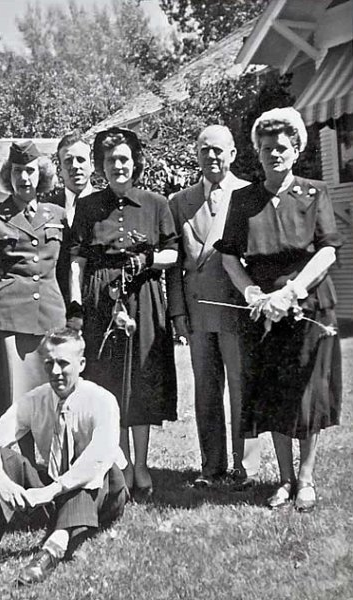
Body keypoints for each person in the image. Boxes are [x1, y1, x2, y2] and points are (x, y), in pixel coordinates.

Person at [215, 107, 342, 512]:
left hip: (309, 305)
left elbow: (327, 251)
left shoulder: (313, 192)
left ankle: (305, 478)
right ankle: (284, 479)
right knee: (273, 393)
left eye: (282, 147)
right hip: (264, 309)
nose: (274, 154)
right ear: (257, 151)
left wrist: (294, 291)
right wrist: (252, 293)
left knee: (307, 392)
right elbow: (229, 257)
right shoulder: (244, 200)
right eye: (267, 147)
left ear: (296, 150)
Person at [0, 328, 128, 585]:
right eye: (49, 363)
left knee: (91, 473)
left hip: (103, 492)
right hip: (55, 487)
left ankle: (51, 551)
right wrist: (4, 484)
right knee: (4, 459)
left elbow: (98, 458)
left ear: (81, 364)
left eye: (64, 363)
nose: (56, 371)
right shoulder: (36, 399)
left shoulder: (102, 400)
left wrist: (51, 491)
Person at [69, 127, 178, 499]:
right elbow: (77, 261)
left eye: (124, 159)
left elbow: (173, 253)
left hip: (143, 297)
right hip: (101, 300)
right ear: (101, 166)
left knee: (142, 380)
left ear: (135, 163)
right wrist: (77, 306)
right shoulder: (87, 207)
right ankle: (122, 465)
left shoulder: (155, 203)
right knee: (109, 382)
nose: (118, 166)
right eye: (110, 160)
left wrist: (148, 258)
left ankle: (143, 466)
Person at [167, 125, 262, 489]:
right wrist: (177, 313)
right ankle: (212, 467)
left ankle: (245, 467)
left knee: (241, 388)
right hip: (196, 311)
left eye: (219, 150)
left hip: (236, 308)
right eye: (205, 150)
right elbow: (176, 265)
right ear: (196, 154)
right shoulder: (180, 201)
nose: (212, 157)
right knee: (206, 391)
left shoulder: (248, 195)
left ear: (234, 154)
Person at [0, 140, 66, 431]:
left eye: (30, 171)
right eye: (17, 171)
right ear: (7, 176)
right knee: (12, 403)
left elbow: (65, 273)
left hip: (51, 318)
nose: (24, 178)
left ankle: (56, 470)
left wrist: (72, 318)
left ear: (42, 175)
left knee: (55, 400)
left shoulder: (58, 215)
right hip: (10, 320)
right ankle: (16, 471)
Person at [46, 131, 95, 303]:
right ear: (60, 169)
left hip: (97, 301)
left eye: (81, 159)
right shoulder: (46, 209)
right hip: (57, 302)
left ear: (92, 165)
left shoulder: (107, 205)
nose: (75, 166)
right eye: (68, 161)